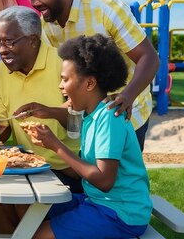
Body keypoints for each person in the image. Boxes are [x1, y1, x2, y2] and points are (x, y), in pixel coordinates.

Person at [27, 0, 159, 150]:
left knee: (120, 179)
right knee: (94, 178)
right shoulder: (46, 23)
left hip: (125, 112)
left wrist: (127, 96)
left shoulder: (107, 9)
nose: (35, 3)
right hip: (90, 118)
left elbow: (149, 57)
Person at [32, 34, 152, 239]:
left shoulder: (109, 117)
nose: (61, 86)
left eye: (65, 79)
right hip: (97, 203)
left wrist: (55, 145)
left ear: (89, 84)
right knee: (29, 211)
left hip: (120, 213)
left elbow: (104, 180)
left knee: (37, 235)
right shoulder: (92, 116)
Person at [0, 6, 81, 234]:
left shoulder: (63, 64)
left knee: (20, 204)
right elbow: (4, 133)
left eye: (9, 42)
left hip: (69, 169)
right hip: (26, 168)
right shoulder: (1, 71)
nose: (1, 50)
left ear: (34, 41)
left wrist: (51, 111)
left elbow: (82, 121)